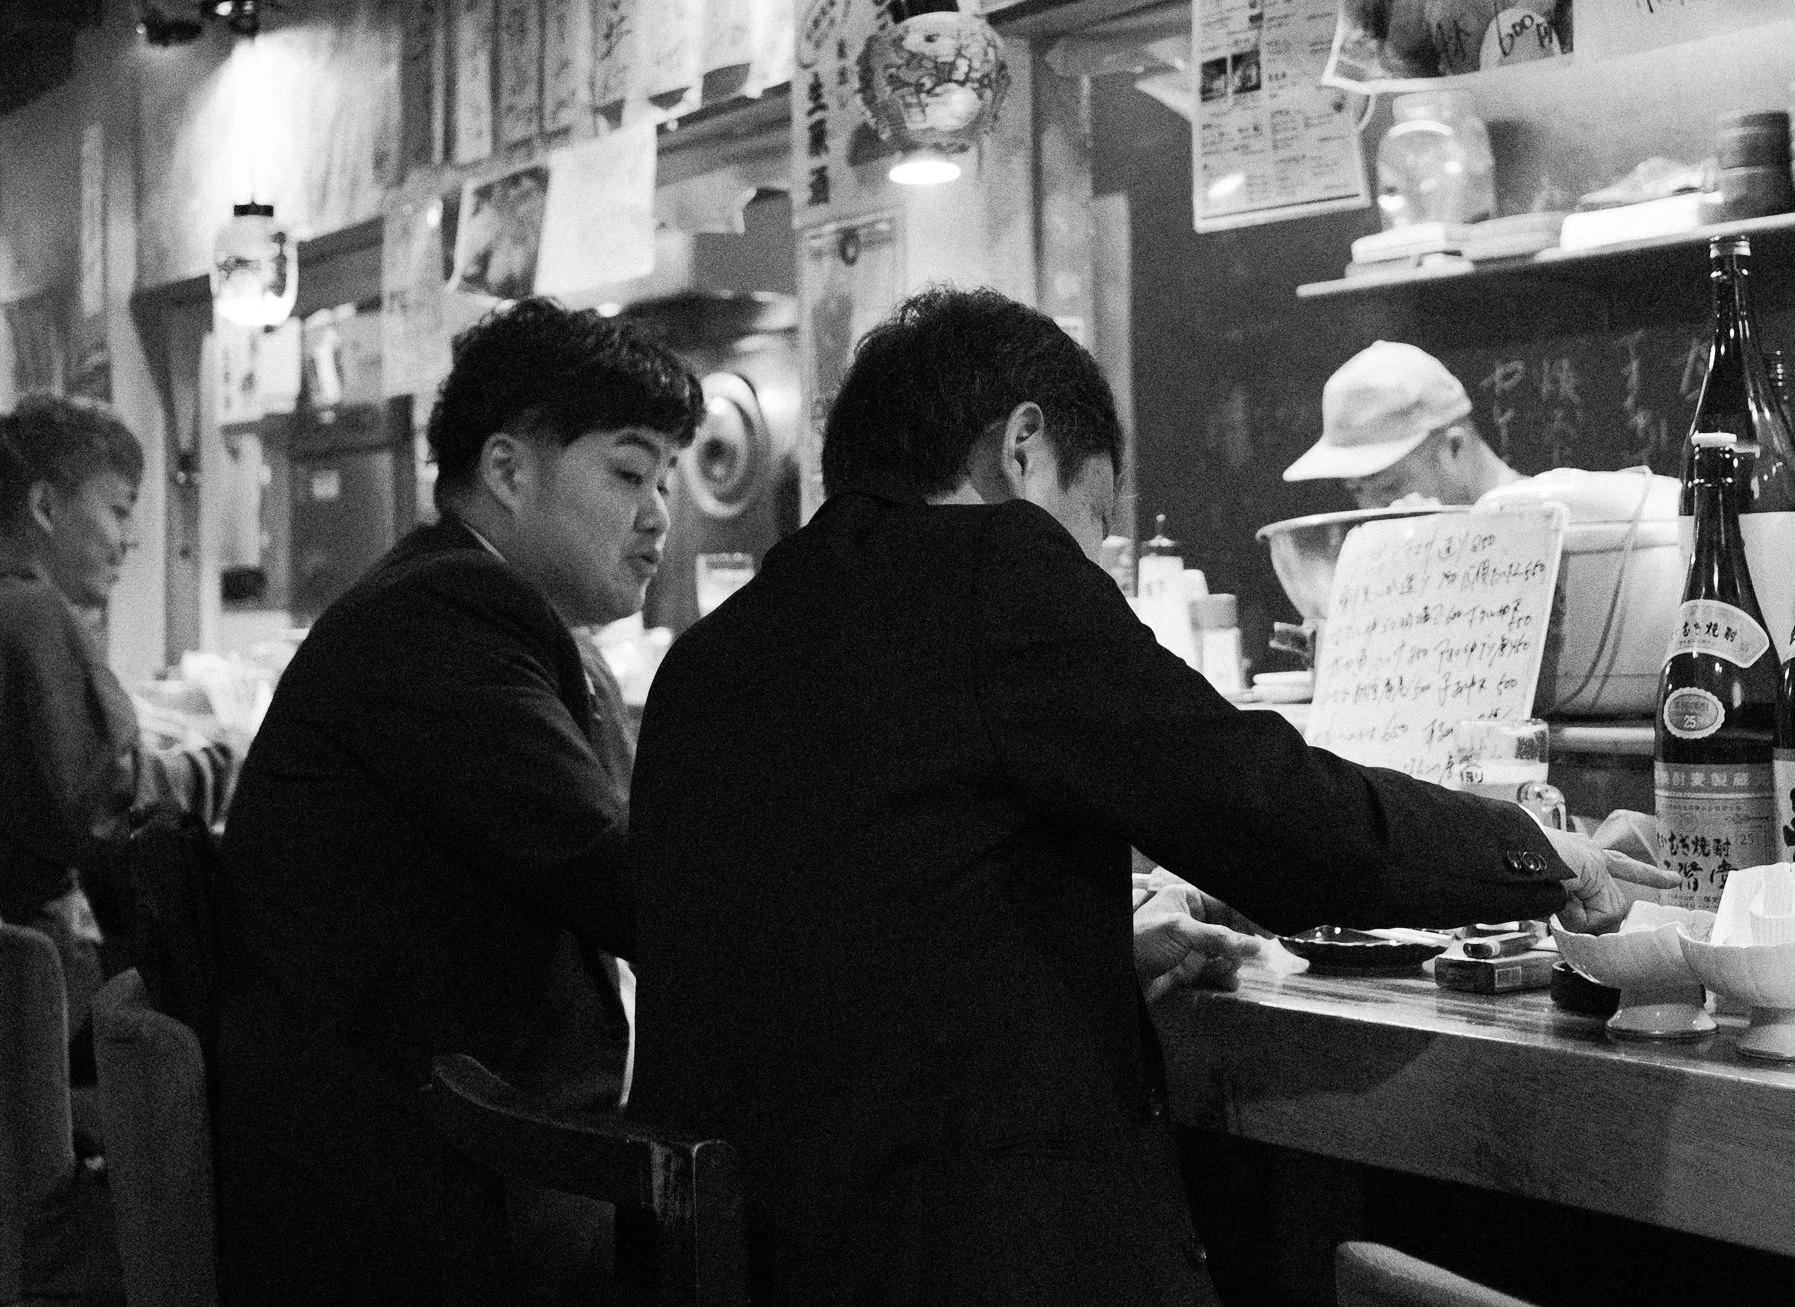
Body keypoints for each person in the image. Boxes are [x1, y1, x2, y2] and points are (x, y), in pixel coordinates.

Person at [630, 286, 1670, 1307]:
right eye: (1092, 519)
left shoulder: (713, 651)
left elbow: (845, 934)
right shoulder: (994, 563)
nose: (1092, 564)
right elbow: (1281, 818)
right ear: (1022, 448)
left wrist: (1090, 946)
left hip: (756, 1251)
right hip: (952, 1254)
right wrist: (1540, 850)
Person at [214, 299, 697, 1307]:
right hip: (418, 1193)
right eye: (628, 471)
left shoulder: (469, 608)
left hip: (437, 1148)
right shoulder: (446, 620)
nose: (659, 513)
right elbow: (620, 874)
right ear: (511, 470)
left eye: (667, 477)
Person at [0, 396, 232, 1085]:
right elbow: (123, 819)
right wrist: (229, 760)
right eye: (120, 510)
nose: (130, 540)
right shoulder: (27, 614)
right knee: (232, 1005)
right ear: (44, 506)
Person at [1284, 340, 1522, 509]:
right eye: (1356, 490)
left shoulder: (1549, 523)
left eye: (1390, 487)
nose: (1371, 510)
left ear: (1454, 448)